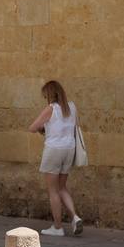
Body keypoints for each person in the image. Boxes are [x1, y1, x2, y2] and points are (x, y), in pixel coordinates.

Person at [27, 80, 83, 237]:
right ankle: (75, 217)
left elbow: (32, 128)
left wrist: (43, 129)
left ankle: (58, 227)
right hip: (69, 149)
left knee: (53, 190)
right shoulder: (72, 107)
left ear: (49, 95)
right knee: (62, 187)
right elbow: (74, 126)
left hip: (54, 150)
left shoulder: (51, 109)